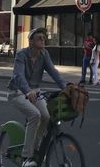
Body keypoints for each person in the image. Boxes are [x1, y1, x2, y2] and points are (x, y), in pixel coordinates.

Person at [7, 27, 67, 167]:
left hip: (35, 91)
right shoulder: (21, 55)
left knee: (46, 116)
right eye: (39, 37)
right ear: (31, 42)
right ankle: (27, 157)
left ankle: (35, 148)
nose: (43, 40)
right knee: (35, 115)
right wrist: (27, 90)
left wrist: (65, 87)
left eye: (44, 38)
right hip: (18, 92)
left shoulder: (44, 54)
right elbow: (18, 76)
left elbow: (53, 71)